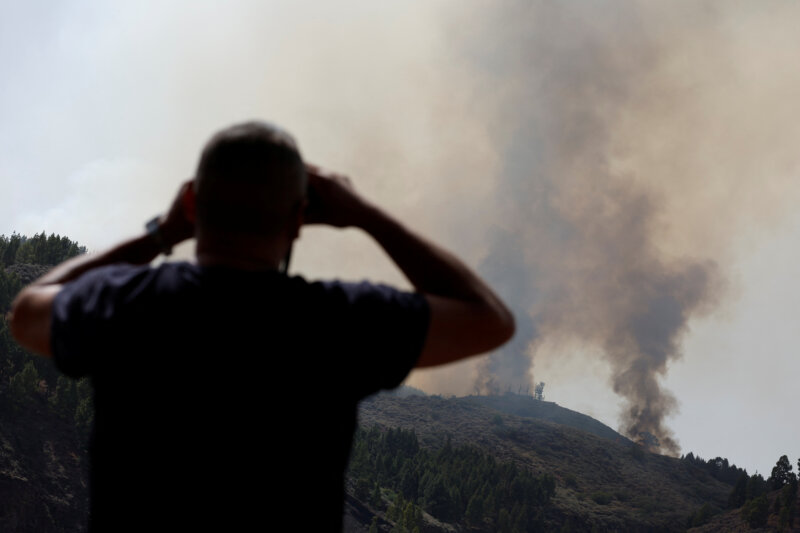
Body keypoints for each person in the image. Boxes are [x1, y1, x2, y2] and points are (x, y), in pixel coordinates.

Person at [9, 121, 515, 531]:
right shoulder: (337, 321)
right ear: (300, 219)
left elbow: (28, 311)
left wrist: (160, 235)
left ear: (191, 204)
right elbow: (488, 320)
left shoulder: (126, 303)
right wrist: (366, 215)